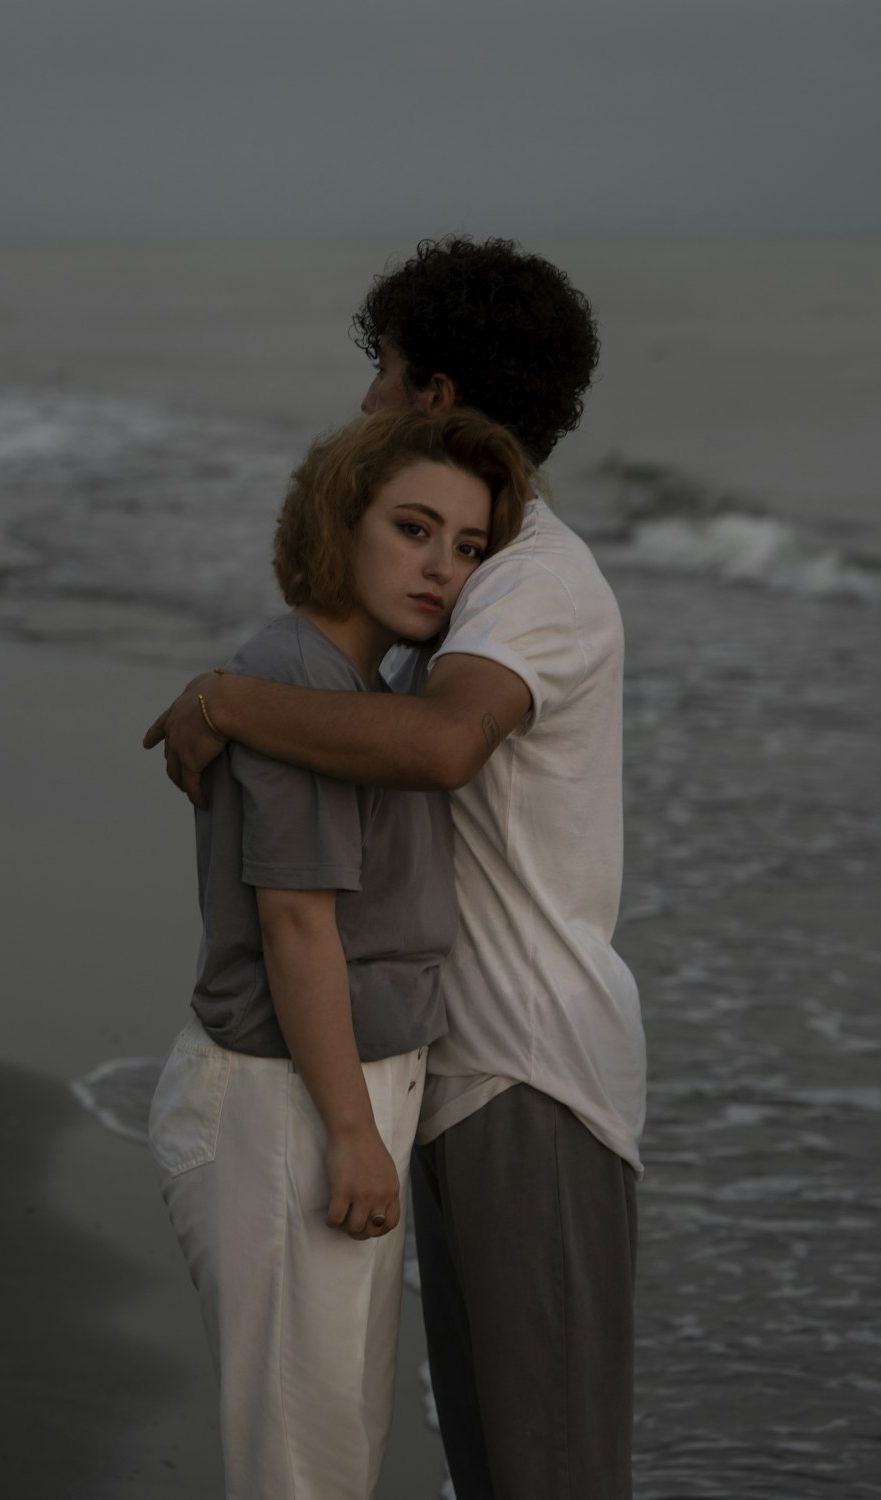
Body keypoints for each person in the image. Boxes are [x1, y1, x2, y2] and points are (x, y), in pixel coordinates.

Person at [145, 236, 647, 1499]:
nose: (366, 397)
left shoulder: (527, 578)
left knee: (546, 1465)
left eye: (383, 370)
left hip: (525, 1063)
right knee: (478, 1453)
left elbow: (433, 747)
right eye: (422, 533)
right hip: (421, 1063)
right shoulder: (466, 582)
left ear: (431, 395)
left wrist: (229, 696)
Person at [146, 404, 532, 1500]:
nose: (440, 570)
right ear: (338, 519)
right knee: (303, 1472)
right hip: (287, 1102)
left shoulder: (358, 685)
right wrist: (354, 1135)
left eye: (466, 548)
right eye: (412, 529)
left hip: (321, 1090)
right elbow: (296, 924)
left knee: (331, 1451)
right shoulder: (301, 681)